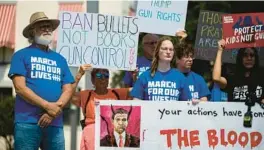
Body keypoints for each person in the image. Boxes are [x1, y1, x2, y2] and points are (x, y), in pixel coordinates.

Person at [8, 12, 74, 150]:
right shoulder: (21, 55)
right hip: (27, 122)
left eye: (49, 26)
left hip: (55, 122)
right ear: (33, 31)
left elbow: (68, 89)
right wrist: (48, 106)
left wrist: (53, 111)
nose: (47, 29)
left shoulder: (60, 59)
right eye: (42, 26)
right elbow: (20, 88)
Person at [71, 64, 130, 150]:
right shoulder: (86, 95)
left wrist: (133, 76)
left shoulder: (117, 93)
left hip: (111, 138)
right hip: (91, 137)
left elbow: (136, 91)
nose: (103, 78)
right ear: (92, 80)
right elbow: (68, 95)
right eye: (99, 75)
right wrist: (78, 76)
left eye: (106, 76)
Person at [130, 36, 191, 101]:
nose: (168, 52)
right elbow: (136, 103)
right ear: (157, 51)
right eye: (165, 49)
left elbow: (187, 104)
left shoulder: (180, 77)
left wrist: (195, 103)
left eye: (171, 49)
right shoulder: (145, 76)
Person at [213, 39, 264, 103]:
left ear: (255, 58)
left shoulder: (261, 78)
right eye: (245, 55)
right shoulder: (232, 78)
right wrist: (220, 50)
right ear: (240, 58)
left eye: (252, 55)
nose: (249, 58)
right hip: (235, 112)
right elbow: (216, 78)